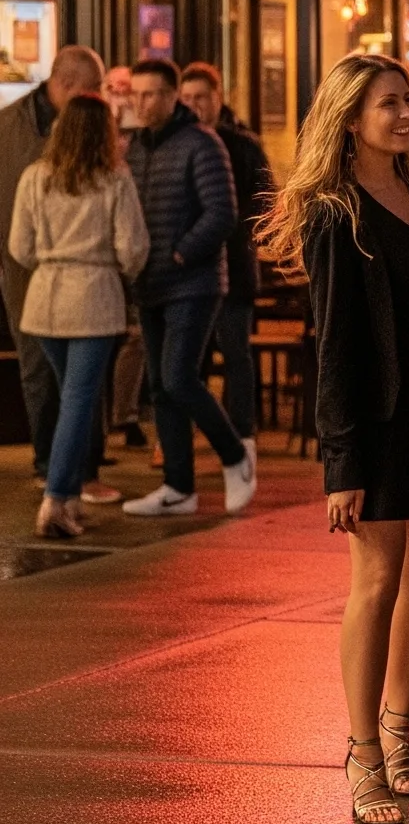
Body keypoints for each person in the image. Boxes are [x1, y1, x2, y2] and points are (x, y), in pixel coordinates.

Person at [255, 55, 409, 824]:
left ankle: (400, 731)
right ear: (351, 118)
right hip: (378, 426)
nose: (405, 113)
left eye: (406, 100)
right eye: (388, 103)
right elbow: (335, 345)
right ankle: (362, 755)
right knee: (377, 581)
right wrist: (340, 463)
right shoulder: (332, 211)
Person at [121, 60, 257, 518]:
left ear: (171, 95)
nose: (140, 103)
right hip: (149, 283)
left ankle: (235, 456)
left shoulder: (202, 142)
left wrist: (180, 253)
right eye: (134, 94)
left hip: (193, 283)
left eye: (150, 94)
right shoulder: (134, 148)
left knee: (180, 376)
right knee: (161, 386)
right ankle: (178, 486)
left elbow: (221, 214)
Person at [9, 93, 147, 539]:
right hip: (93, 299)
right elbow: (132, 248)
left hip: (45, 300)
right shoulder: (114, 178)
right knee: (78, 402)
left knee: (71, 398)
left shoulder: (35, 177)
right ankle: (57, 499)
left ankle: (64, 498)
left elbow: (19, 248)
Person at [0, 45, 107, 491]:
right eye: (92, 89)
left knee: (83, 377)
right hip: (26, 271)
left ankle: (83, 467)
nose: (99, 97)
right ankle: (51, 464)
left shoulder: (93, 128)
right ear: (64, 84)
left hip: (78, 275)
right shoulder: (8, 126)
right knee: (38, 369)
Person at [178, 63, 275, 446]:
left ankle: (242, 434)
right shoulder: (177, 142)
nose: (194, 105)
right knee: (189, 360)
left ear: (218, 97)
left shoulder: (243, 145)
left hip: (234, 267)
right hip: (187, 273)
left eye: (201, 97)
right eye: (186, 98)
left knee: (236, 353)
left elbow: (266, 199)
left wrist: (230, 230)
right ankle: (181, 435)